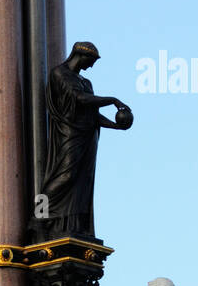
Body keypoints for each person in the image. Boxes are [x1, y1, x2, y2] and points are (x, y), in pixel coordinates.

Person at [33, 41, 131, 242]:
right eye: (91, 61)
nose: (92, 66)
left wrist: (116, 125)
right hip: (68, 134)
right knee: (63, 175)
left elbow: (93, 114)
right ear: (80, 55)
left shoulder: (86, 82)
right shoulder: (59, 73)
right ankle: (39, 216)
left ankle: (73, 224)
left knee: (82, 182)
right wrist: (112, 100)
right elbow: (80, 99)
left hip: (88, 137)